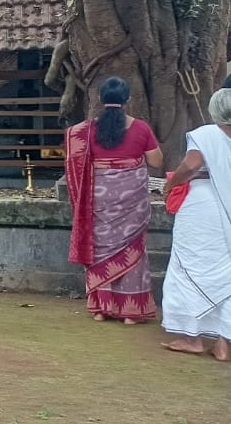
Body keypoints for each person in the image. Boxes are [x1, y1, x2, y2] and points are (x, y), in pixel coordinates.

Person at [159, 88, 231, 361]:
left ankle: (193, 338)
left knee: (190, 265)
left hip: (203, 207)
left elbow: (191, 165)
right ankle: (223, 343)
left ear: (215, 110)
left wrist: (171, 184)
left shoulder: (206, 135)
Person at [64, 77, 163, 324]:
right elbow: (156, 162)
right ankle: (130, 312)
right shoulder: (141, 128)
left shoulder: (86, 132)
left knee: (99, 248)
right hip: (132, 202)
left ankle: (100, 309)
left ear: (100, 99)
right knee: (132, 249)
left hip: (98, 200)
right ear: (127, 99)